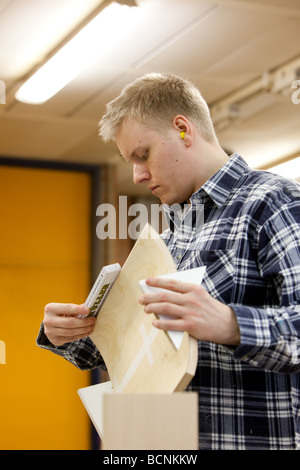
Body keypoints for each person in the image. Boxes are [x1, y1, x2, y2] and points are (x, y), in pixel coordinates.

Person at [37, 72, 300, 450]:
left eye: (143, 155)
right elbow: (141, 349)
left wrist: (230, 324)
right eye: (130, 161)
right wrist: (68, 333)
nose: (138, 175)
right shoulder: (168, 238)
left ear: (182, 129)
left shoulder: (273, 202)